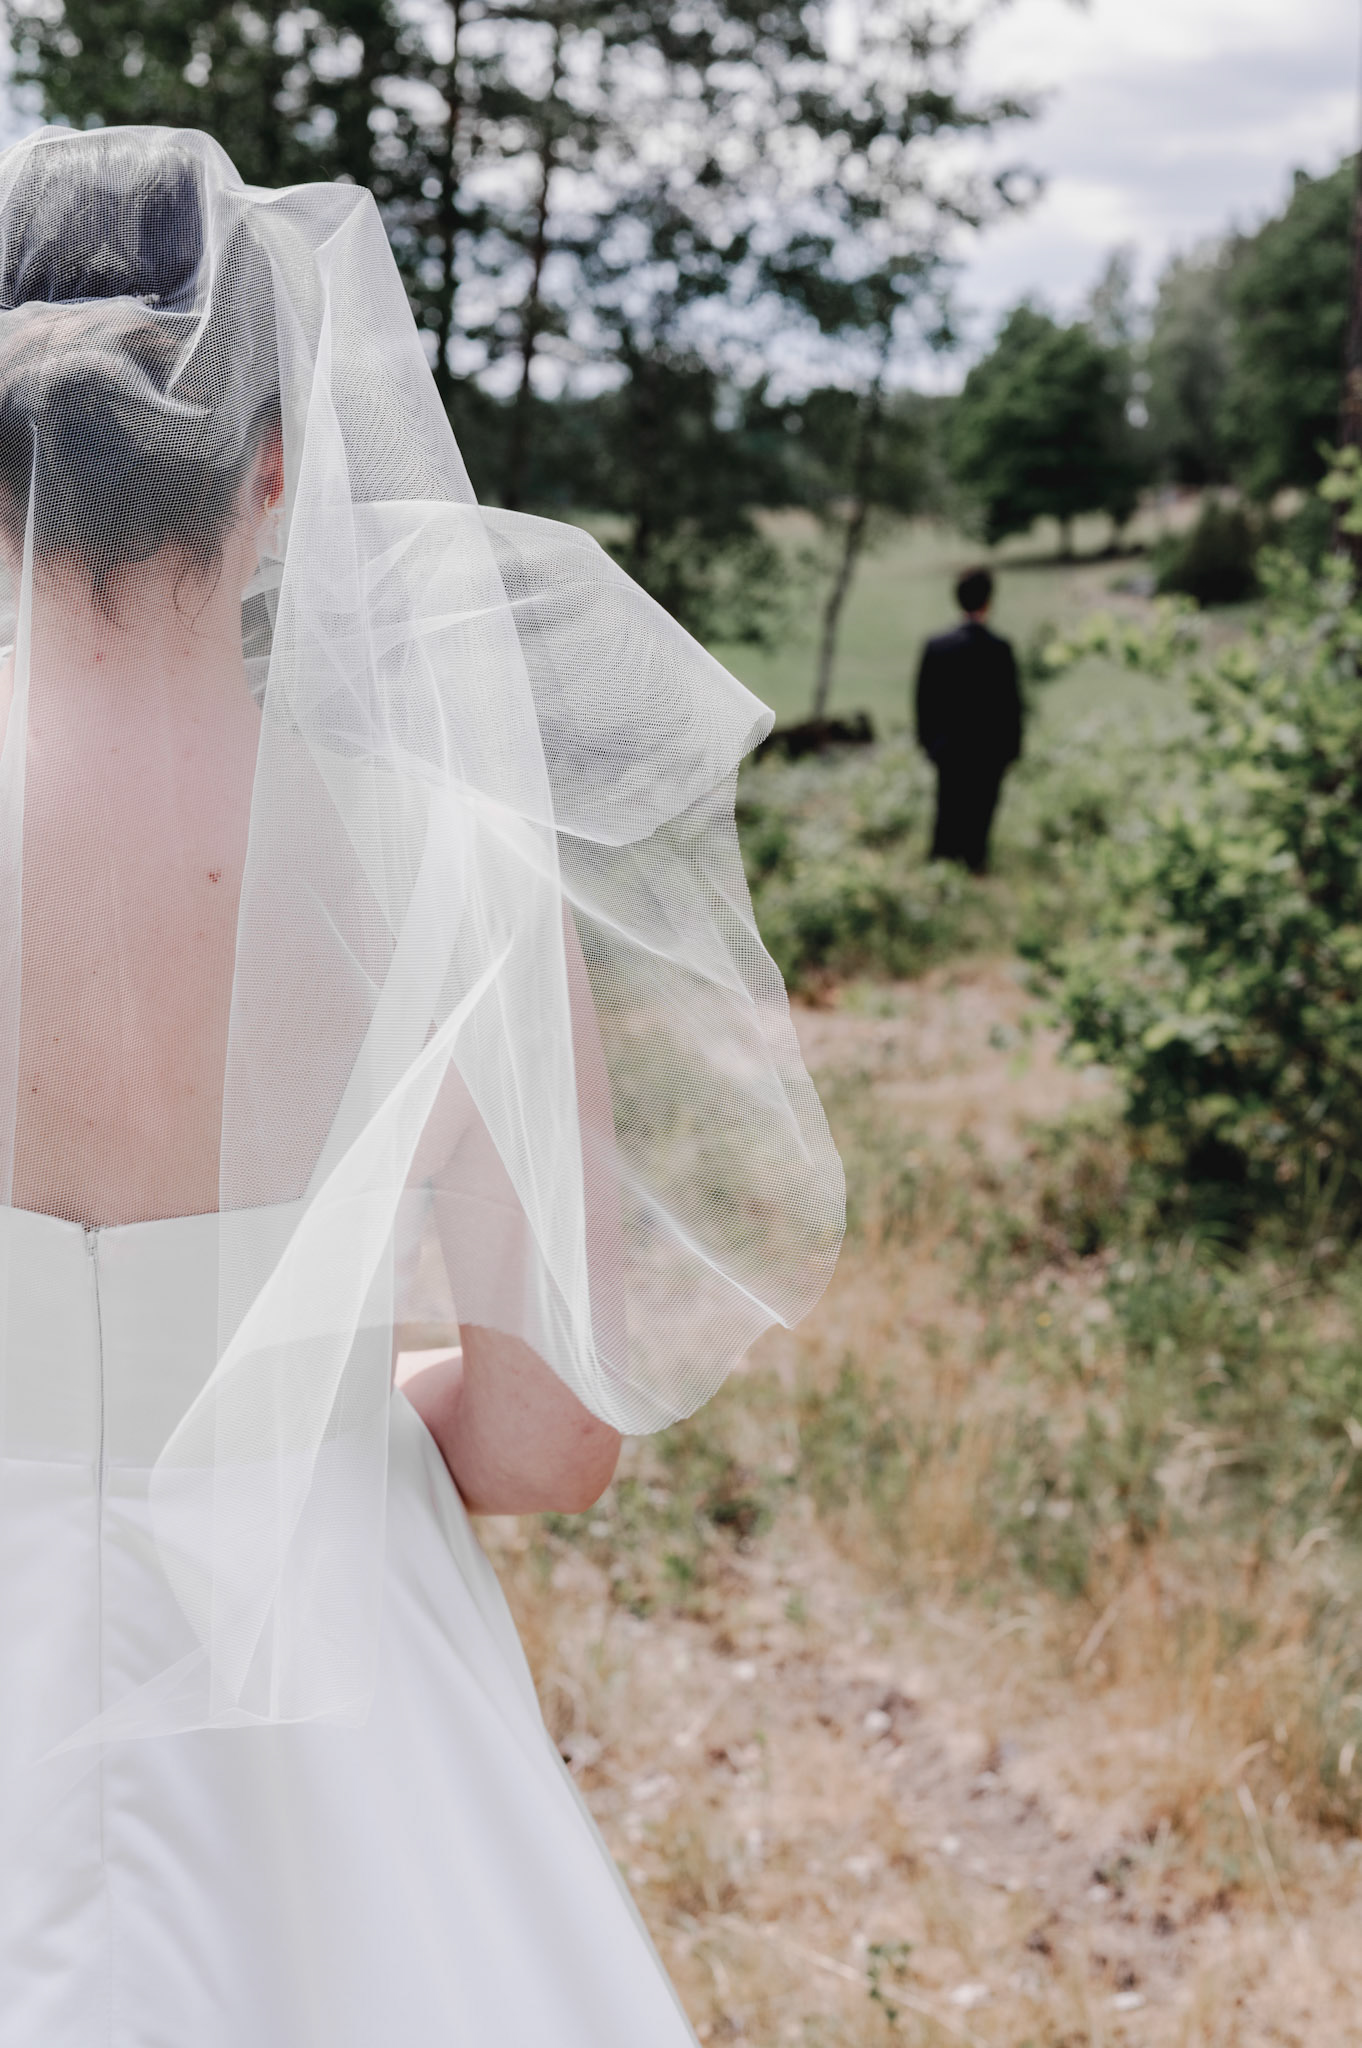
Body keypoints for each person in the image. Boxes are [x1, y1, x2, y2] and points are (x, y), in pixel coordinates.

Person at [0, 127, 844, 2045]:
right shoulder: (452, 868)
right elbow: (547, 1443)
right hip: (335, 1686)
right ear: (281, 466)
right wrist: (310, 1388)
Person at [915, 565, 1023, 874]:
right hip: (989, 750)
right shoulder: (1000, 649)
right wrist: (1012, 750)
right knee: (981, 814)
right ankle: (975, 868)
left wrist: (928, 744)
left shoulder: (937, 646)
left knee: (947, 810)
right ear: (989, 601)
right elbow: (1011, 706)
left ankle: (942, 871)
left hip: (948, 748)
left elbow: (924, 702)